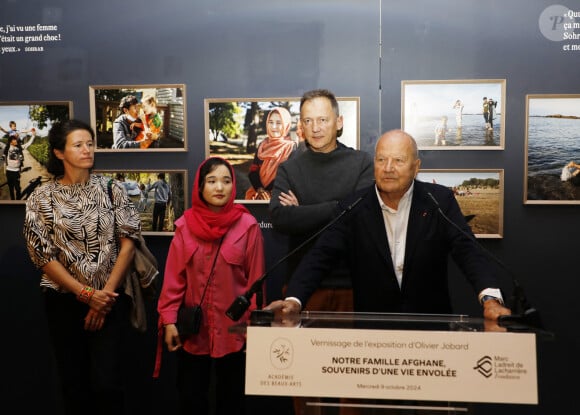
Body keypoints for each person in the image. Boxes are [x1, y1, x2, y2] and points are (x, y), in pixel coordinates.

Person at [266, 129, 511, 321]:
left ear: (416, 167)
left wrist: (490, 299)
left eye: (398, 160)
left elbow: (468, 251)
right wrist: (295, 299)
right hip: (373, 332)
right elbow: (320, 256)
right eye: (381, 159)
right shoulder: (354, 206)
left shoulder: (439, 201)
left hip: (431, 331)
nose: (388, 168)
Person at [23, 119, 142, 415]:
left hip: (110, 299)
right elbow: (42, 255)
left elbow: (128, 243)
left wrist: (103, 298)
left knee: (107, 383)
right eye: (78, 145)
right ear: (59, 152)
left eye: (90, 144)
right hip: (63, 301)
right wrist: (85, 294)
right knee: (73, 382)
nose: (87, 150)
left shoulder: (112, 188)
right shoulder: (41, 197)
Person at [155, 156, 265, 415]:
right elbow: (174, 280)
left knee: (232, 401)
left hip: (235, 333)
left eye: (226, 181)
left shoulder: (247, 226)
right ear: (200, 187)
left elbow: (256, 284)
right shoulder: (185, 226)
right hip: (194, 332)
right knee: (191, 399)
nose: (219, 188)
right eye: (212, 181)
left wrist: (254, 331)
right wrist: (169, 321)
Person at [269, 88, 374, 313]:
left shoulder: (362, 163)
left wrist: (303, 211)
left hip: (353, 284)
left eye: (323, 120)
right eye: (308, 120)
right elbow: (280, 217)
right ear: (302, 126)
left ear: (339, 122)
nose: (315, 128)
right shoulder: (289, 169)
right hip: (301, 287)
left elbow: (361, 217)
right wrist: (339, 206)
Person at [245, 107, 297, 200]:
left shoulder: (291, 147)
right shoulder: (262, 146)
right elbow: (253, 171)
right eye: (271, 122)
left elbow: (288, 176)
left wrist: (268, 192)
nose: (273, 127)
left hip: (280, 197)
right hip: (257, 195)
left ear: (286, 125)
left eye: (278, 123)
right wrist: (260, 190)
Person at [3, 135, 24, 199]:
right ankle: (13, 201)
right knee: (11, 189)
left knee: (17, 188)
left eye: (16, 139)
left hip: (16, 171)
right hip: (9, 171)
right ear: (11, 142)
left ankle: (18, 200)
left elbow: (28, 144)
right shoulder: (7, 147)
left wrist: (33, 136)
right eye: (14, 140)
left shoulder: (19, 147)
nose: (16, 141)